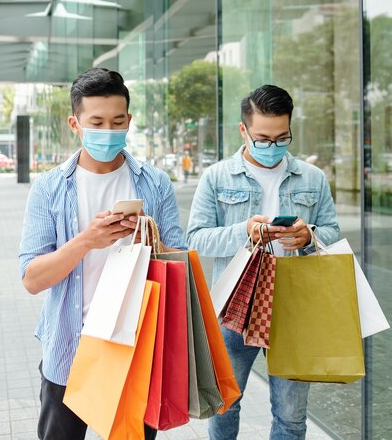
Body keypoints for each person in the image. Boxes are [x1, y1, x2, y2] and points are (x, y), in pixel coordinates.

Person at [19, 67, 186, 440]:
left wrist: (151, 240)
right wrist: (86, 240)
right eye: (97, 122)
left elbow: (180, 260)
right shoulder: (49, 188)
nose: (108, 131)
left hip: (136, 345)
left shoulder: (155, 183)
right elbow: (32, 279)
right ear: (75, 124)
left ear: (129, 120)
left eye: (117, 121)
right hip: (70, 346)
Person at [187, 84, 339, 440]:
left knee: (290, 416)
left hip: (294, 308)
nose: (272, 146)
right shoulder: (217, 177)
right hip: (234, 309)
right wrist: (245, 232)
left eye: (282, 138)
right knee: (225, 404)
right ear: (244, 130)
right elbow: (195, 238)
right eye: (262, 138)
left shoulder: (312, 178)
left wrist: (309, 237)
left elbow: (332, 230)